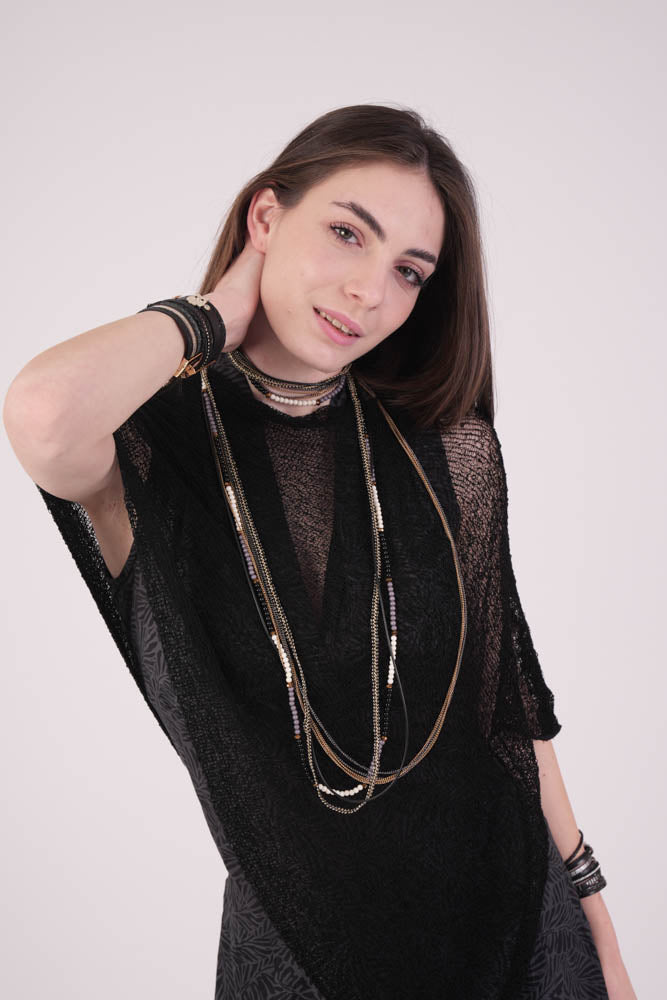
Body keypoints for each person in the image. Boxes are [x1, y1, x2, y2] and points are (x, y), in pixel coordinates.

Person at [3, 104, 636, 999]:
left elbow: (505, 704)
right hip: (303, 955)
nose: (369, 291)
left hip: (519, 939)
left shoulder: (444, 445)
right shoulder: (148, 444)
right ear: (266, 216)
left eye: (407, 271)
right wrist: (213, 315)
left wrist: (592, 913)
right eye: (346, 233)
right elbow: (41, 413)